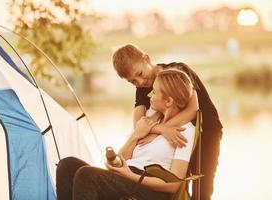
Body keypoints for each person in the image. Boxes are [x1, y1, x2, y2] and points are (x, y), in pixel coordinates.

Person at [56, 69, 196, 200]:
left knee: (86, 175)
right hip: (127, 177)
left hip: (149, 190)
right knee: (67, 165)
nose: (149, 95)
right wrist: (135, 135)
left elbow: (173, 185)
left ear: (169, 101)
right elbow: (119, 161)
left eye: (153, 92)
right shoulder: (149, 121)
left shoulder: (184, 130)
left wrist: (130, 175)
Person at [112, 44, 223, 200]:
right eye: (132, 81)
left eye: (140, 74)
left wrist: (157, 130)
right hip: (178, 135)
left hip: (207, 131)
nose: (140, 82)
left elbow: (192, 110)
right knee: (180, 183)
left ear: (146, 59)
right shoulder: (143, 88)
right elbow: (138, 125)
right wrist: (160, 131)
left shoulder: (176, 72)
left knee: (202, 187)